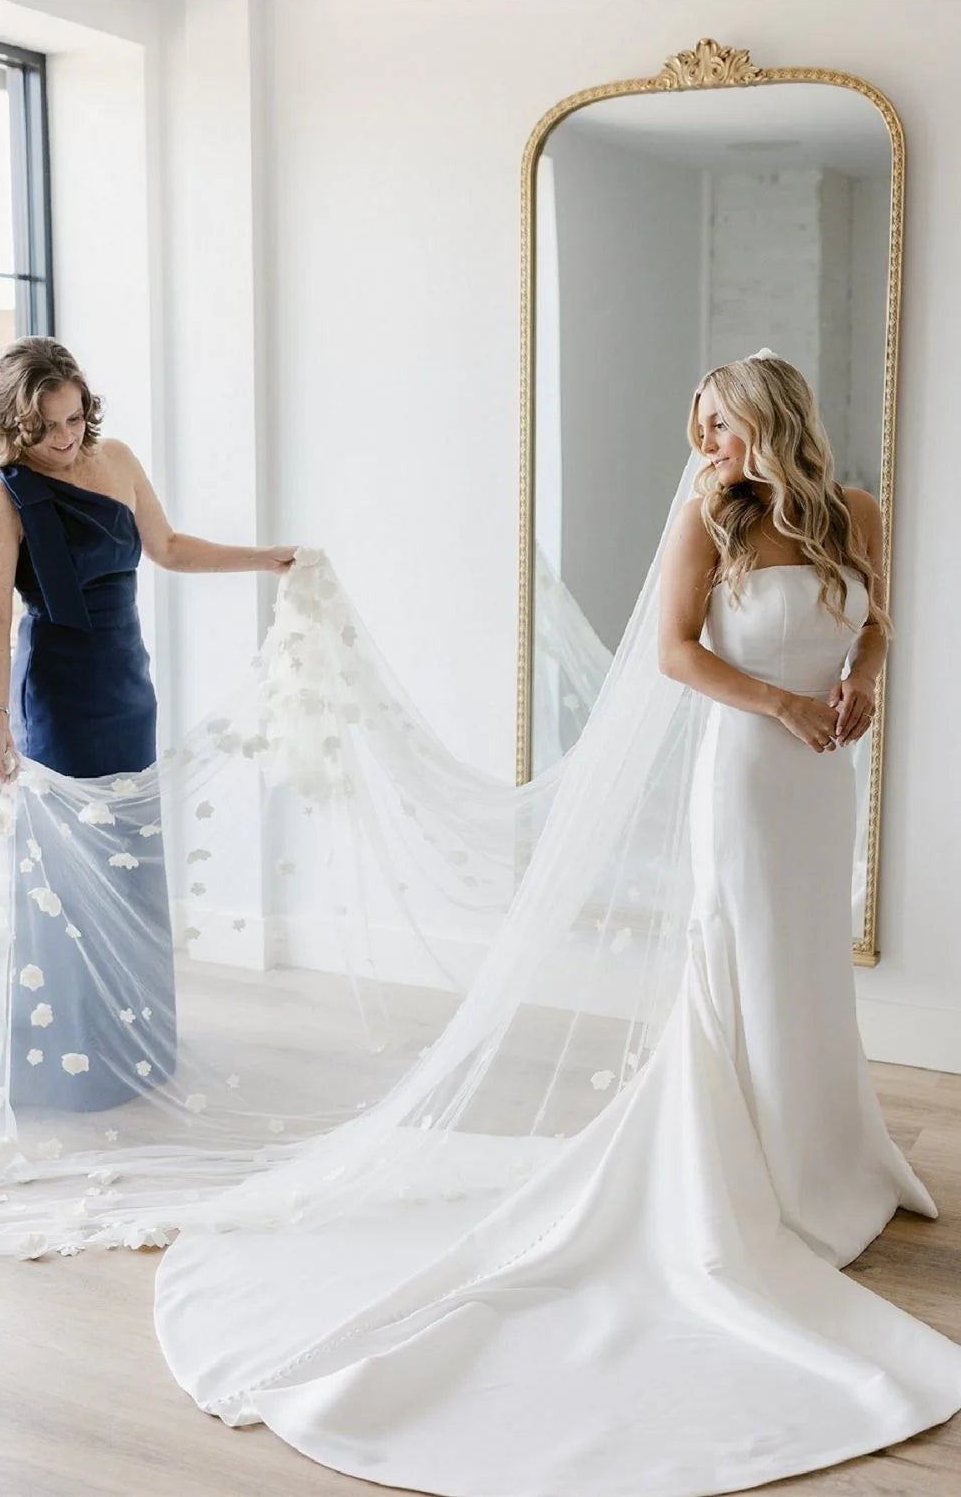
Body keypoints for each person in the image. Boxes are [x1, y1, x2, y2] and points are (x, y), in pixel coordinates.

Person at [152, 355, 961, 1497]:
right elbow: (676, 653)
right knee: (747, 961)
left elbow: (875, 623)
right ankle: (759, 1173)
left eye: (723, 426)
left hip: (821, 781)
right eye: (700, 425)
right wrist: (783, 702)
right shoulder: (710, 517)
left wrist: (862, 681)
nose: (708, 444)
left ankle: (829, 1155)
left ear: (774, 421)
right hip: (746, 771)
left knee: (807, 967)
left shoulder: (854, 513)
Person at [0, 336, 295, 1111]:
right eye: (47, 426)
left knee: (129, 870)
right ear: (15, 423)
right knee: (69, 879)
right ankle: (72, 1054)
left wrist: (265, 559)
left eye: (74, 418)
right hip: (58, 704)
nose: (65, 437)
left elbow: (169, 549)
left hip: (127, 693)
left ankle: (132, 1045)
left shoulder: (115, 461)